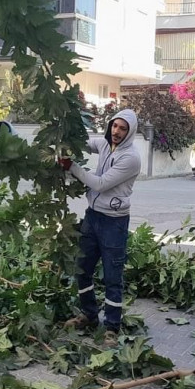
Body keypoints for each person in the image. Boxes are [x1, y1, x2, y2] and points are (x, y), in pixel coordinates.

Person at [58, 109, 142, 347]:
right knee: (82, 268)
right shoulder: (106, 144)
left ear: (130, 132)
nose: (116, 132)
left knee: (112, 276)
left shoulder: (131, 158)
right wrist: (64, 133)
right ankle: (89, 315)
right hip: (92, 217)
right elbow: (84, 142)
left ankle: (112, 327)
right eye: (114, 126)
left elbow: (100, 183)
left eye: (122, 128)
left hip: (114, 222)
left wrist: (71, 166)